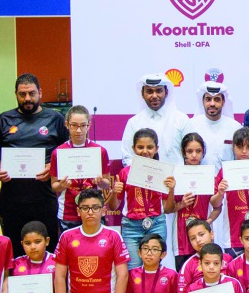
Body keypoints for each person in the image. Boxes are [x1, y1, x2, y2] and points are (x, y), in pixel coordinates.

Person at [0, 73, 70, 256]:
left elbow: (66, 153)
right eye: (22, 94)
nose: (27, 98)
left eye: (32, 93)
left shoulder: (56, 119)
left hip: (44, 199)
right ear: (16, 94)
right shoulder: (4, 119)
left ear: (40, 93)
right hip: (12, 200)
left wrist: (52, 168)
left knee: (47, 251)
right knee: (14, 252)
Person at [113, 129, 177, 269]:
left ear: (156, 149)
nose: (145, 151)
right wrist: (114, 192)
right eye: (140, 147)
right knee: (133, 269)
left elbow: (168, 209)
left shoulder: (163, 173)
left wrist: (171, 189)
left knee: (154, 267)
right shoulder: (125, 173)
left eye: (150, 147)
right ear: (133, 148)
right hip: (131, 227)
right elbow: (113, 206)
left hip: (156, 224)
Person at [50, 105, 112, 232]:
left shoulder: (99, 151)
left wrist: (100, 182)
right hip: (68, 212)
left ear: (89, 125)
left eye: (83, 125)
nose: (78, 130)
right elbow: (54, 186)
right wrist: (62, 185)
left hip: (93, 210)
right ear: (67, 125)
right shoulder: (59, 153)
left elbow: (107, 184)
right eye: (74, 125)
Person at [120, 74, 190, 166]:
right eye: (149, 91)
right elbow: (127, 157)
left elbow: (192, 153)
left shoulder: (181, 119)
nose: (154, 96)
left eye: (158, 91)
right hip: (142, 174)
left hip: (176, 174)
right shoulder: (134, 122)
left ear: (166, 92)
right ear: (142, 94)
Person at [173, 133, 215, 265]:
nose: (194, 155)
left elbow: (217, 207)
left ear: (203, 152)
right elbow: (167, 209)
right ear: (183, 152)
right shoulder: (175, 175)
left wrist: (208, 221)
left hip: (203, 236)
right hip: (181, 237)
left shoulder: (209, 176)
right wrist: (181, 204)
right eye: (190, 151)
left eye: (198, 151)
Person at [187, 81, 242, 172]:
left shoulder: (235, 127)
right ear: (202, 101)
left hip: (227, 179)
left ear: (223, 102)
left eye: (217, 99)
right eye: (208, 99)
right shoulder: (191, 126)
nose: (212, 104)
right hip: (199, 178)